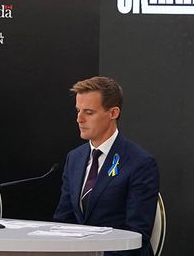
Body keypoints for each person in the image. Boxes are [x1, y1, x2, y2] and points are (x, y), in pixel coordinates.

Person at [54, 76, 158, 256]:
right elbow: (63, 220)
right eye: (78, 111)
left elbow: (136, 234)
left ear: (113, 113)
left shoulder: (140, 163)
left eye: (88, 112)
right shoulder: (75, 158)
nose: (79, 119)